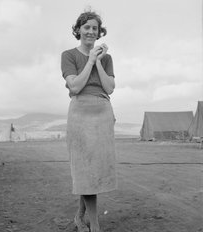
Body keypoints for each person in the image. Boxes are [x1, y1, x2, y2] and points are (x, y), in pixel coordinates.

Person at [61, 10, 117, 232]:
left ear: (99, 31)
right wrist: (91, 59)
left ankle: (79, 216)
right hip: (80, 113)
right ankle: (94, 225)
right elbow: (75, 86)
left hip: (102, 112)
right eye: (87, 27)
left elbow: (110, 88)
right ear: (78, 30)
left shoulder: (108, 58)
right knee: (85, 170)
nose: (91, 31)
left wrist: (100, 62)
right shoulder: (68, 55)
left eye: (95, 28)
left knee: (94, 170)